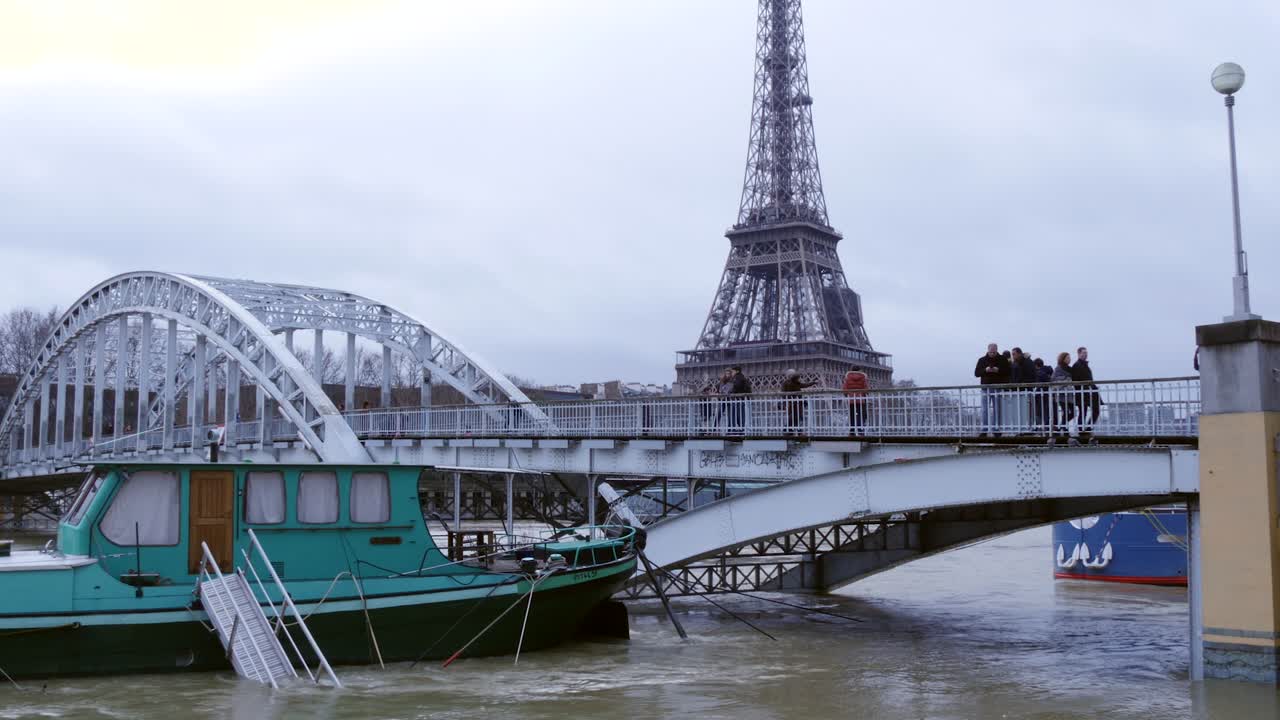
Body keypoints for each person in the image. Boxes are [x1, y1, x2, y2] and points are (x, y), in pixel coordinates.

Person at [973, 343, 1011, 436]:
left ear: (997, 350)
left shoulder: (1002, 359)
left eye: (994, 352)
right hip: (985, 387)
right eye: (991, 352)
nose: (992, 354)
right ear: (988, 350)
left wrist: (998, 370)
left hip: (997, 387)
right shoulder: (982, 360)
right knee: (985, 409)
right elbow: (976, 373)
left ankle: (996, 430)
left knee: (997, 409)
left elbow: (1008, 372)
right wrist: (985, 370)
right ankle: (984, 430)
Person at [1072, 346, 1101, 440]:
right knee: (1083, 412)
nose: (1086, 354)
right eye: (1083, 353)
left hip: (1089, 392)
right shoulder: (1077, 365)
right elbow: (1075, 381)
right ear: (1079, 354)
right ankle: (1082, 431)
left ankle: (1087, 429)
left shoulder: (1084, 365)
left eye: (1086, 352)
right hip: (1083, 393)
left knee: (1095, 411)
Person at [1050, 351, 1076, 444]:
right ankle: (1065, 431)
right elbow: (1053, 381)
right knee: (1066, 411)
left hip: (1069, 394)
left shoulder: (1070, 369)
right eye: (1067, 358)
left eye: (1069, 358)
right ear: (1063, 359)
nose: (1069, 359)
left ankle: (1060, 428)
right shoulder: (1058, 369)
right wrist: (1066, 380)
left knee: (1072, 412)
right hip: (1061, 395)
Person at [780, 369, 817, 433]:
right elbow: (783, 394)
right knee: (793, 416)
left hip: (798, 402)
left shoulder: (795, 383)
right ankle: (790, 428)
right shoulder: (785, 383)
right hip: (791, 402)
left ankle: (795, 428)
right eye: (791, 375)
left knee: (798, 416)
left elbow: (804, 385)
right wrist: (785, 402)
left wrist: (813, 382)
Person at [1010, 347, 1037, 432]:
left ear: (1019, 353)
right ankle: (1023, 428)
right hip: (1020, 390)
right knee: (1021, 410)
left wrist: (1018, 384)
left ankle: (1028, 428)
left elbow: (1030, 375)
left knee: (1027, 410)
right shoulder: (1018, 362)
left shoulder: (1027, 362)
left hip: (1025, 390)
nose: (1013, 356)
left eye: (1014, 354)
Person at [842, 369, 869, 436]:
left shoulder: (848, 377)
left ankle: (852, 431)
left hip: (851, 400)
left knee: (851, 415)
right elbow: (866, 389)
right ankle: (860, 431)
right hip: (860, 399)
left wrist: (846, 395)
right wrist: (864, 394)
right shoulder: (863, 377)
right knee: (860, 415)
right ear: (859, 370)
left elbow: (845, 388)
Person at [728, 366, 751, 434]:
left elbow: (737, 386)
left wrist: (731, 391)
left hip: (738, 399)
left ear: (737, 371)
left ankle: (737, 429)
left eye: (733, 371)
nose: (732, 373)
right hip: (742, 399)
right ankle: (741, 428)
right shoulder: (742, 377)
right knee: (740, 414)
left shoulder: (737, 378)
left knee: (737, 414)